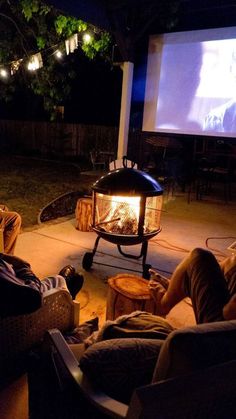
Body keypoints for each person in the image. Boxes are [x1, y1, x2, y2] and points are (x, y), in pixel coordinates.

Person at [149, 247, 236, 324]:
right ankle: (178, 286)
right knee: (233, 261)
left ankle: (163, 304)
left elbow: (228, 313)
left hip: (223, 332)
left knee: (198, 257)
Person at [0, 253, 84, 317]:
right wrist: (24, 267)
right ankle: (65, 300)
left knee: (72, 278)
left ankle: (66, 292)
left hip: (16, 298)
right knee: (72, 277)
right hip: (29, 313)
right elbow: (32, 297)